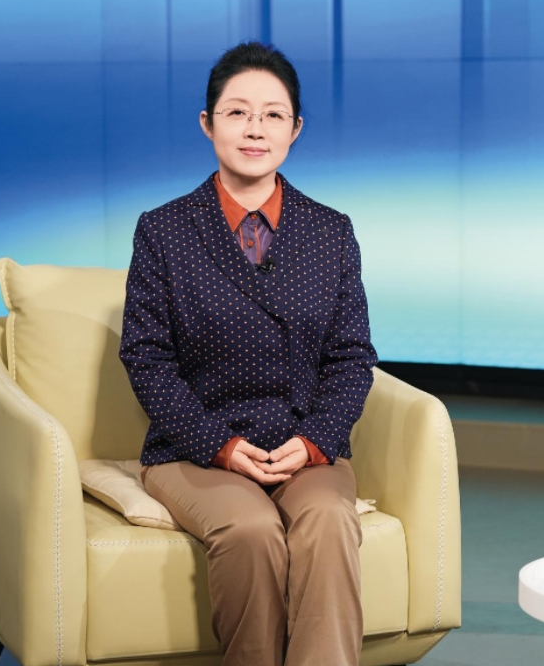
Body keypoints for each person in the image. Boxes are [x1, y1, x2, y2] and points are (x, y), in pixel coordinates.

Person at [118, 42, 378, 666]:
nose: (255, 129)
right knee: (252, 528)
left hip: (302, 447)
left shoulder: (331, 230)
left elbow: (352, 357)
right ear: (207, 124)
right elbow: (146, 358)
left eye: (272, 114)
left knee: (328, 520)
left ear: (296, 128)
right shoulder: (163, 230)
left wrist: (314, 441)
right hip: (197, 449)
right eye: (237, 112)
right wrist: (220, 445)